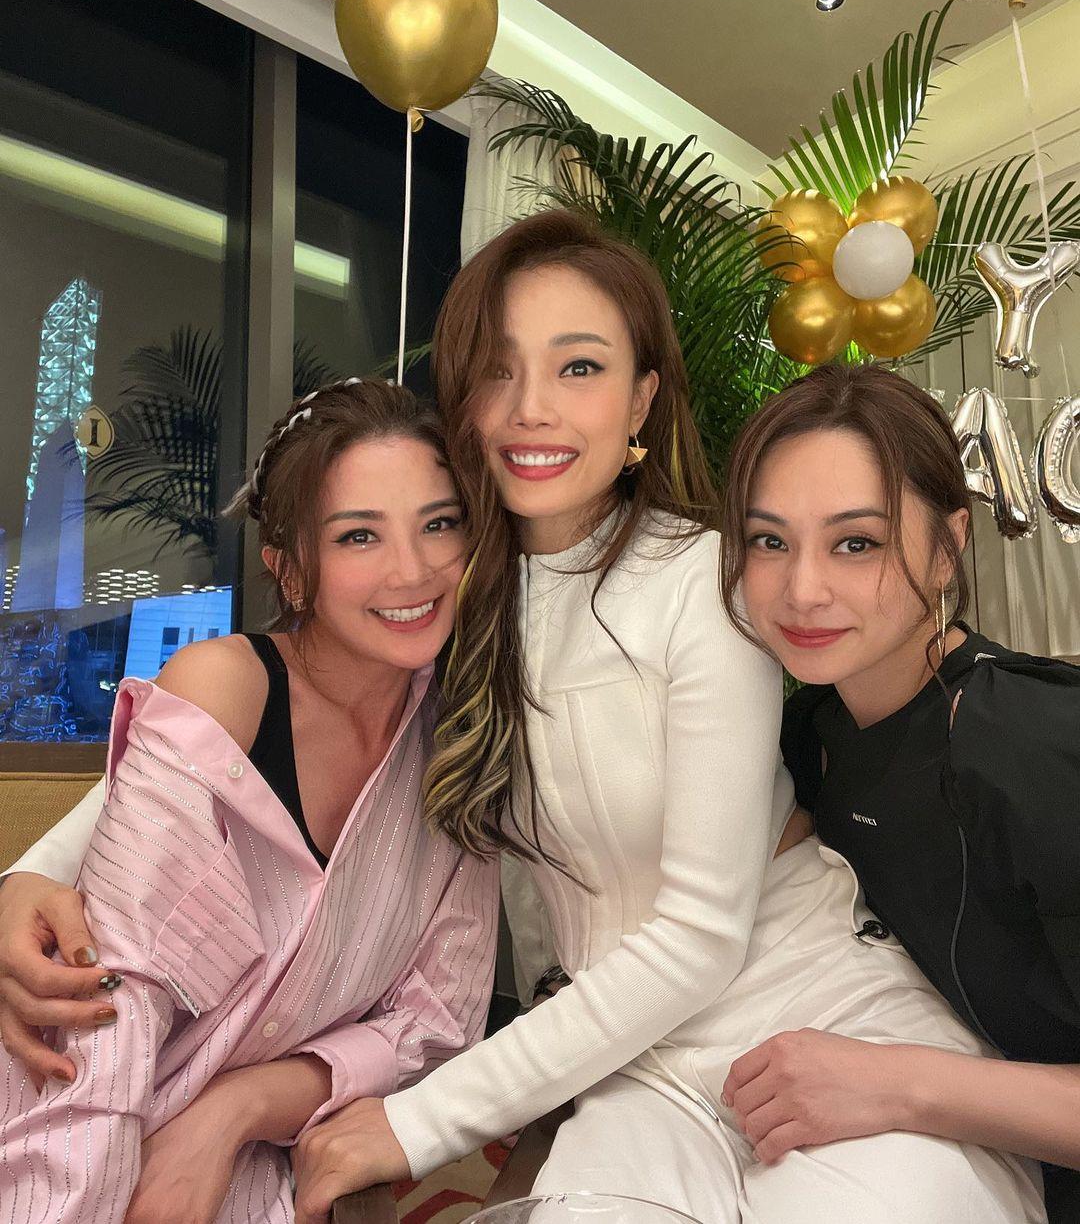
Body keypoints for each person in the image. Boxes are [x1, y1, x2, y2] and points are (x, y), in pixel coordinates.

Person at [288, 212, 1043, 1224]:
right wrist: (65, 882)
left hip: (823, 1021)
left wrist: (421, 1122)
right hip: (637, 1067)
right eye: (499, 370)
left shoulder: (709, 579)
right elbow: (265, 714)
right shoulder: (451, 597)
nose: (532, 409)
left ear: (643, 397)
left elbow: (698, 935)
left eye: (580, 368)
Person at [0, 379, 498, 1224]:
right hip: (54, 1129)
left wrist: (236, 1110)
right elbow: (109, 1009)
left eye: (439, 524)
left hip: (246, 1161)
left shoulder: (459, 740)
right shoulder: (224, 689)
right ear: (291, 571)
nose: (413, 570)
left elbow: (437, 1022)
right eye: (359, 535)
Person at [714, 362, 1080, 1223]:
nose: (802, 590)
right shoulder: (807, 736)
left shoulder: (1032, 743)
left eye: (857, 543)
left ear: (947, 547)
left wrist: (894, 1082)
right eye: (769, 541)